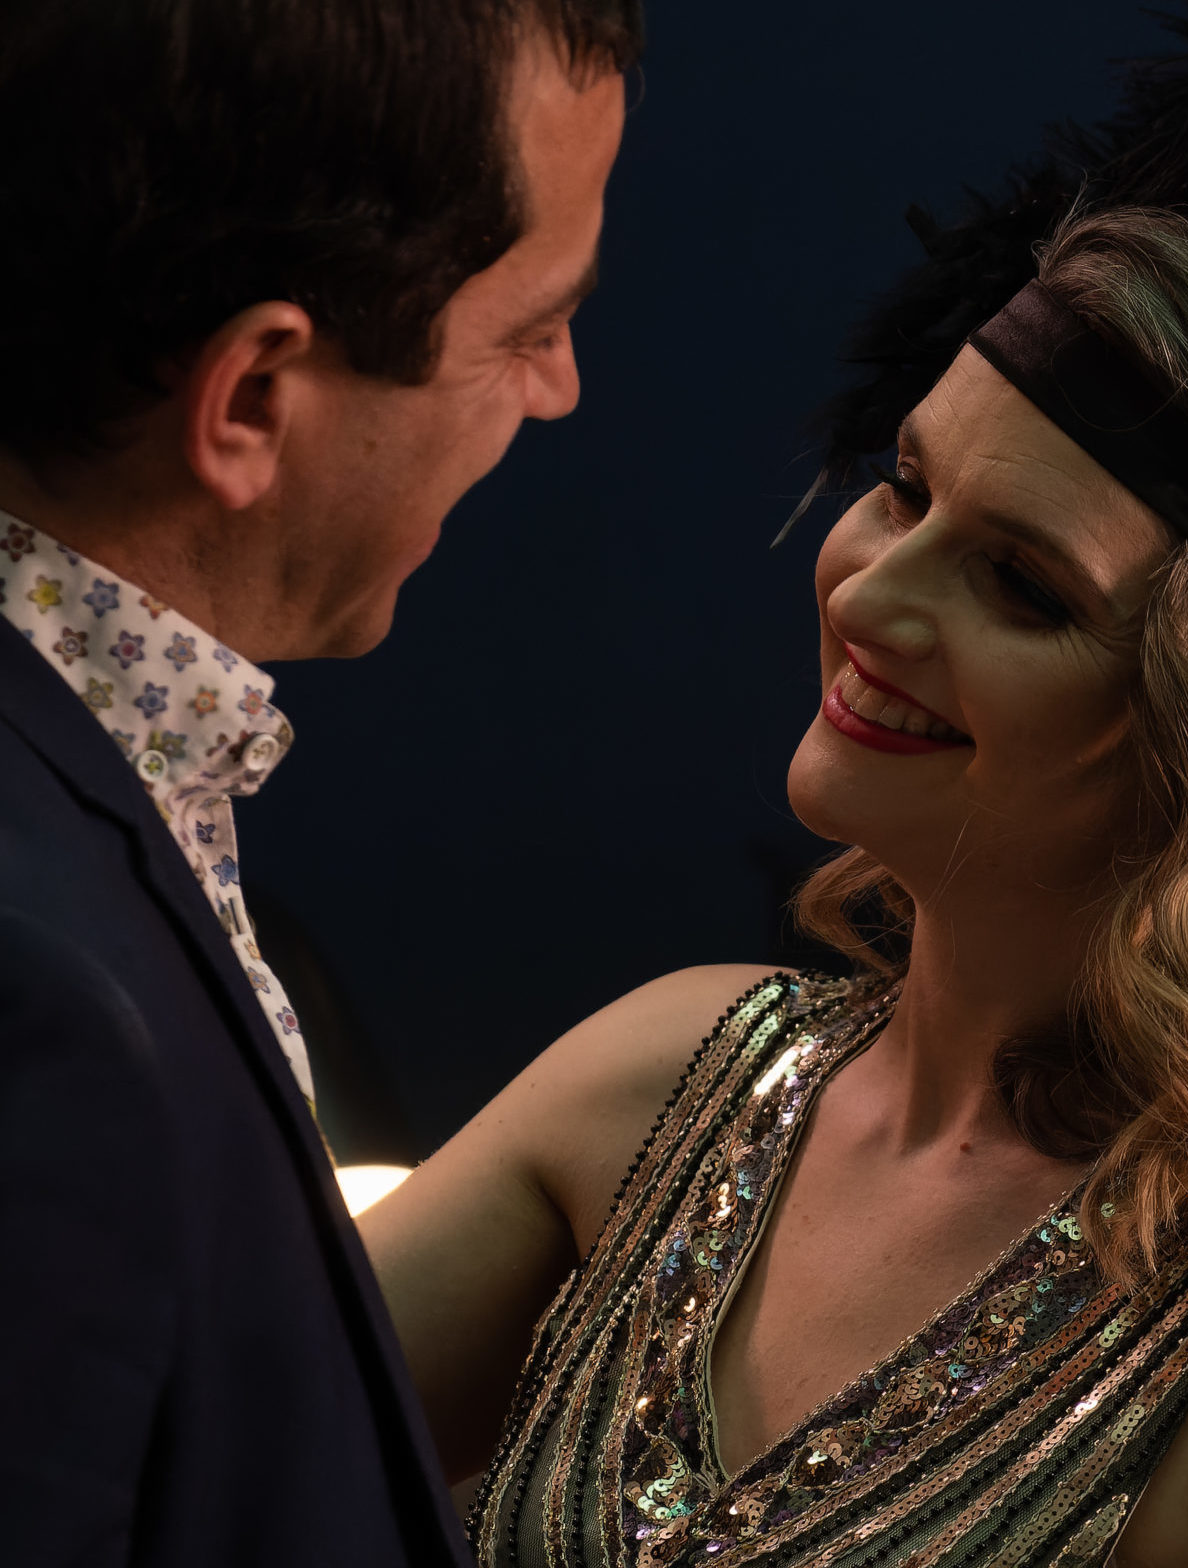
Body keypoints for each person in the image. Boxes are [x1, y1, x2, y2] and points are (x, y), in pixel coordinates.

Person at [359, 202, 1188, 1566]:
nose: (867, 600)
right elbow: (193, 1431)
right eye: (906, 489)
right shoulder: (663, 1082)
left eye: (1022, 584)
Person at [0, 0, 638, 1561]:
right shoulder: (41, 1000)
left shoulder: (97, 821)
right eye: (525, 329)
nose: (561, 386)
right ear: (249, 400)